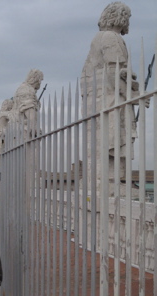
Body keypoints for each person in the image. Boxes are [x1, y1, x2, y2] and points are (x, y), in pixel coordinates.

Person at [80, 2, 139, 180]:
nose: (128, 22)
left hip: (98, 101)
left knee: (101, 142)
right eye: (127, 18)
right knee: (114, 140)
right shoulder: (112, 38)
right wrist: (134, 96)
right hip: (111, 100)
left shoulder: (97, 38)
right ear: (120, 17)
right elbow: (115, 71)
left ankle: (101, 179)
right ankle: (112, 181)